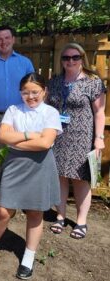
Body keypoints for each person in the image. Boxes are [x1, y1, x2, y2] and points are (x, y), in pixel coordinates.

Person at [0, 73, 62, 280]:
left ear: (44, 91)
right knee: (3, 210)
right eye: (25, 92)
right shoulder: (13, 110)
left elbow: (45, 143)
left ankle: (28, 256)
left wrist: (16, 141)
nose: (30, 96)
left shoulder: (51, 112)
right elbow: (3, 136)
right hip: (15, 164)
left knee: (35, 212)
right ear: (20, 93)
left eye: (35, 92)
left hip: (40, 165)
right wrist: (30, 135)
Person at [47, 43, 106, 239]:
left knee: (82, 180)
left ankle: (81, 221)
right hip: (58, 137)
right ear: (60, 60)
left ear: (82, 58)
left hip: (82, 138)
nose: (70, 61)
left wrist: (99, 139)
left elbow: (99, 112)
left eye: (75, 57)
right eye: (66, 58)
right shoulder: (55, 82)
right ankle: (61, 215)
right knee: (60, 178)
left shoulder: (92, 82)